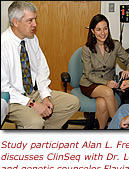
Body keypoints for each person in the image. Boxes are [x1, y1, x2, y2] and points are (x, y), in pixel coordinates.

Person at [1, 1, 80, 129]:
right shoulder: (3, 45)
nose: (35, 25)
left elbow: (42, 70)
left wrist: (45, 96)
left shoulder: (32, 39)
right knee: (35, 122)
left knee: (72, 103)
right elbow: (4, 89)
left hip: (32, 92)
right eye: (30, 21)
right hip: (11, 99)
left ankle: (41, 133)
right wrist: (32, 104)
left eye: (35, 19)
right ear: (15, 22)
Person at [79, 14, 129, 129]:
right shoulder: (87, 49)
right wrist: (106, 83)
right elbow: (88, 74)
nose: (103, 33)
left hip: (107, 85)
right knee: (108, 92)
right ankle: (119, 125)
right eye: (98, 29)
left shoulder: (115, 45)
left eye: (105, 28)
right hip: (90, 83)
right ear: (92, 31)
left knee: (102, 103)